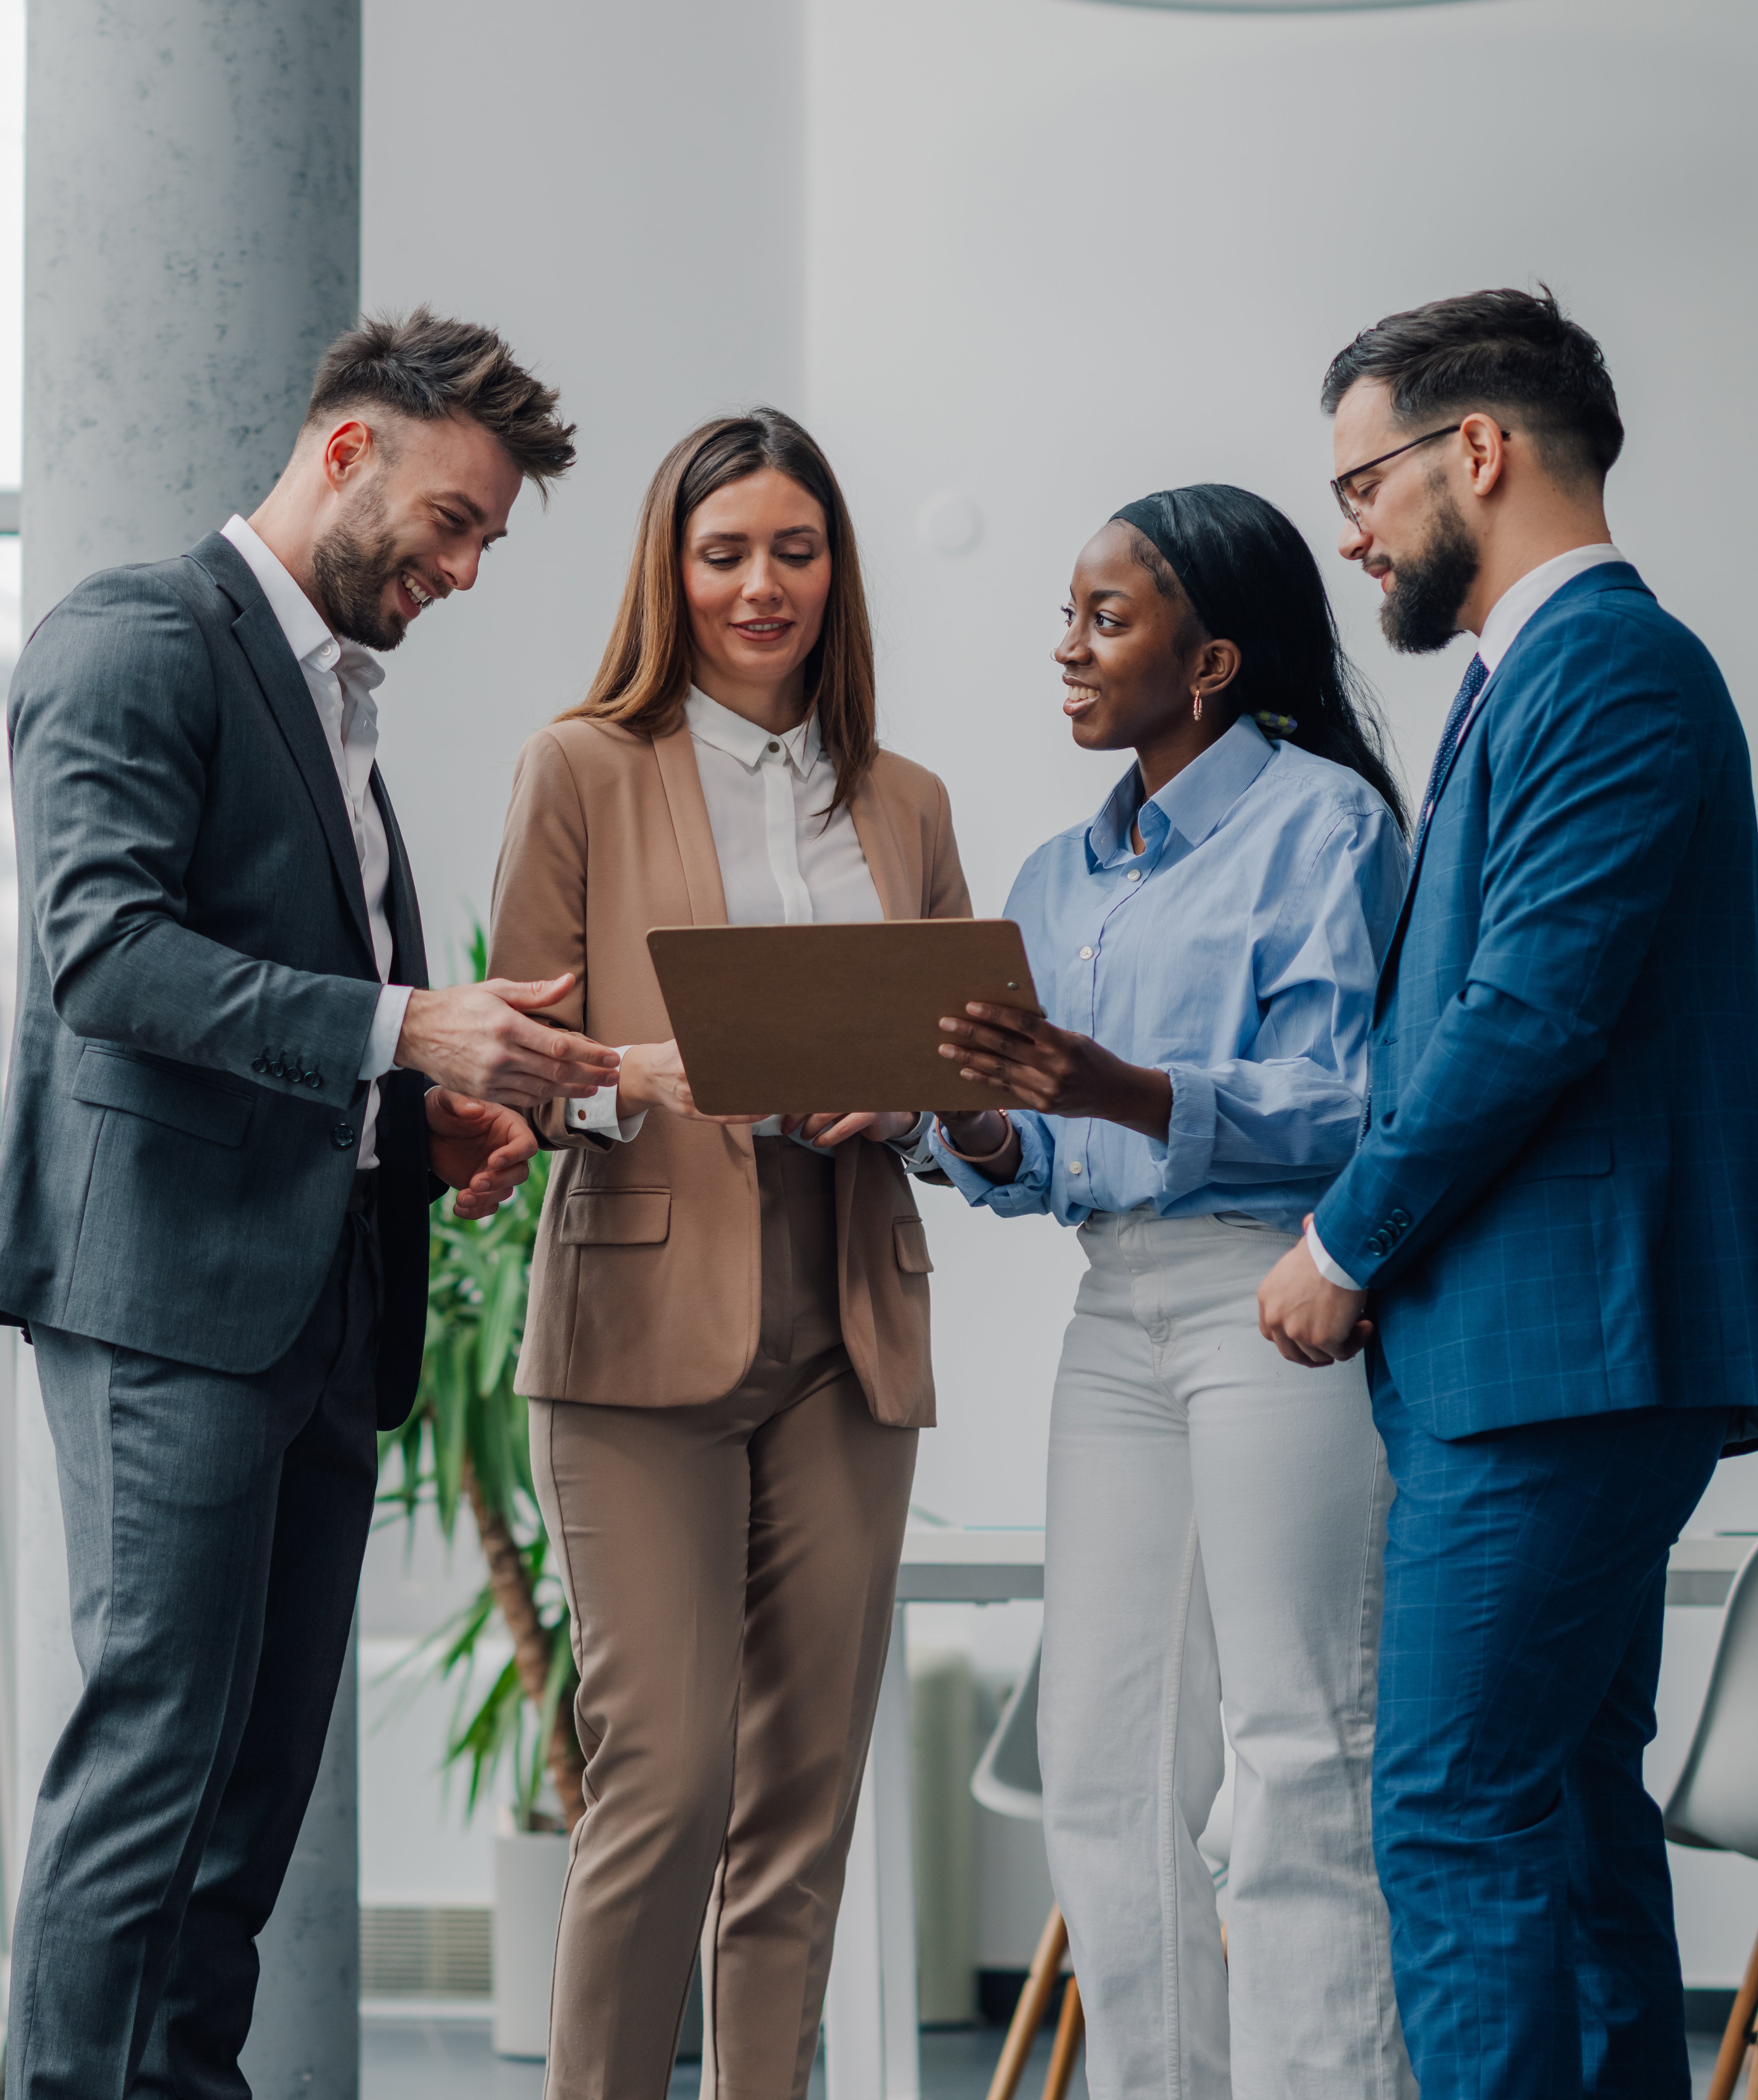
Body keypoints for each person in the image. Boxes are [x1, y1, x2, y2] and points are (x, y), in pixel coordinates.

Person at [0, 308, 620, 2099]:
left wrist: (413, 1121)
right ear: (346, 451)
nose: (466, 567)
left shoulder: (335, 695)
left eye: (488, 538)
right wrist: (408, 1025)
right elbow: (106, 959)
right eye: (452, 521)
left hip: (318, 1301)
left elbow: (278, 1009)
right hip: (169, 1303)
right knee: (157, 1763)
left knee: (248, 1796)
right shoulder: (133, 639)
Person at [1257, 287, 1758, 2100]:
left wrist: (1341, 1239)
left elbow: (1528, 1008)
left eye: (1362, 478)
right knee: (1551, 1805)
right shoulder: (1529, 676)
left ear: (1474, 448)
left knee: (1451, 1812)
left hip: (1561, 1352)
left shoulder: (1608, 663)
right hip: (1548, 1354)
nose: (1350, 528)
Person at [486, 406, 970, 2098]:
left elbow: (974, 1083)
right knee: (668, 1777)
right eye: (722, 555)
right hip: (642, 1315)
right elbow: (513, 1059)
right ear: (668, 573)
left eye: (794, 550)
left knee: (801, 1797)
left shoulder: (902, 804)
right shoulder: (582, 768)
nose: (760, 587)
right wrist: (638, 1074)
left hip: (848, 1306)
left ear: (835, 572)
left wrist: (901, 1103)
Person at [928, 485, 1415, 2100]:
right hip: (1113, 1310)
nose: (1063, 649)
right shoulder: (1052, 878)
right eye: (1062, 614)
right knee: (1102, 1767)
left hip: (1276, 1296)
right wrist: (978, 1121)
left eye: (1103, 618)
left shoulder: (1323, 825)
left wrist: (1118, 1084)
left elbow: (1356, 1105)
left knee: (1296, 1751)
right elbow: (1049, 1157)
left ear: (1206, 662)